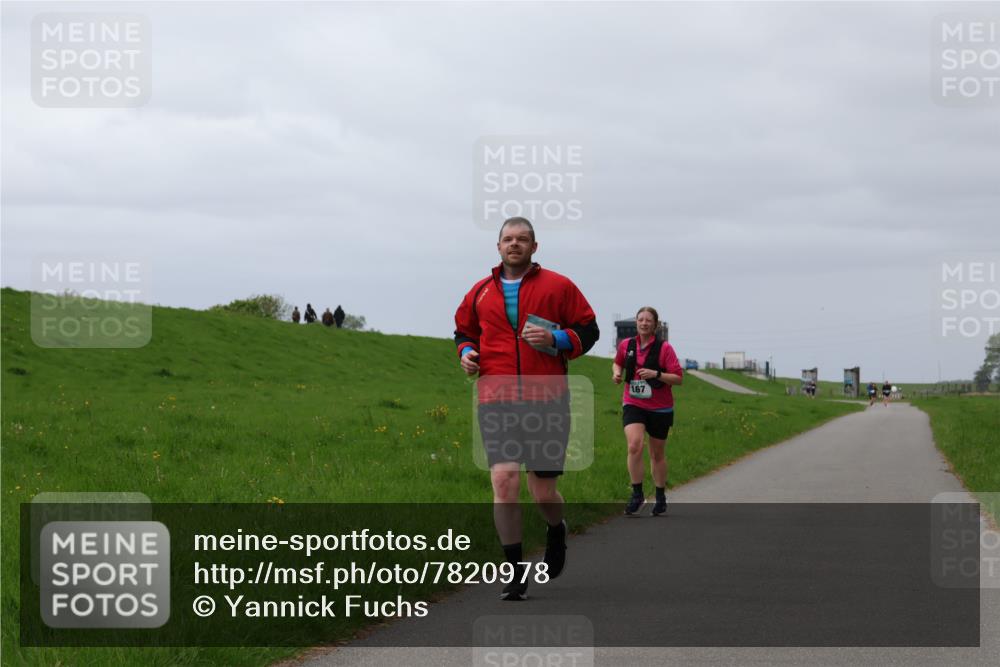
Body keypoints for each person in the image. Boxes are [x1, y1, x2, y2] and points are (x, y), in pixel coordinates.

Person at [454, 216, 599, 601]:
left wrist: (557, 337)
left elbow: (589, 330)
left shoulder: (559, 286)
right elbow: (464, 331)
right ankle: (515, 570)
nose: (513, 244)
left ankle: (556, 529)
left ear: (535, 247)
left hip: (546, 399)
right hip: (496, 399)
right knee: (504, 482)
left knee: (542, 492)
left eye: (522, 239)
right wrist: (467, 353)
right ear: (498, 247)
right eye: (507, 239)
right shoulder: (480, 292)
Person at [611, 307, 683, 516]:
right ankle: (637, 494)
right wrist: (617, 374)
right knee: (634, 445)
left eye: (648, 320)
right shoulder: (626, 345)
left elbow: (678, 378)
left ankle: (660, 497)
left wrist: (656, 373)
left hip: (660, 407)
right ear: (636, 323)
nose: (644, 323)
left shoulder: (664, 349)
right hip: (634, 403)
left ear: (655, 325)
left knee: (657, 454)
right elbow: (618, 363)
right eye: (640, 319)